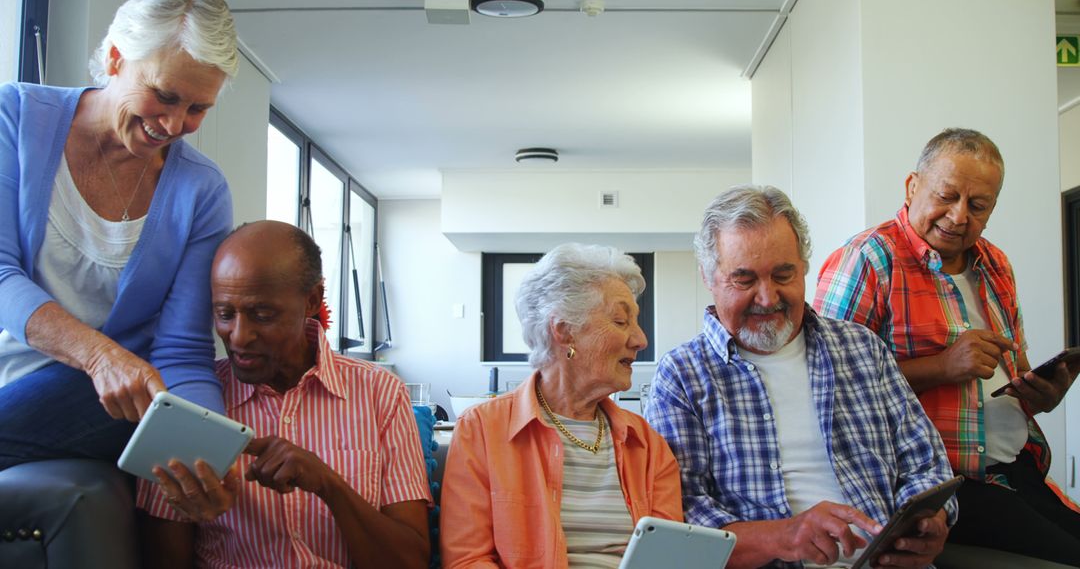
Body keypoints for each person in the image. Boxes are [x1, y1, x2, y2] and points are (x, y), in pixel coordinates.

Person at [646, 186, 955, 568]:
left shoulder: (862, 349)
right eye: (744, 280)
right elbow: (680, 517)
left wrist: (931, 523)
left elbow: (925, 464)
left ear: (804, 267)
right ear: (709, 278)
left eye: (783, 274)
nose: (767, 296)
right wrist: (786, 536)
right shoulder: (682, 376)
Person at [814, 128, 1080, 563]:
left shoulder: (995, 263)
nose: (959, 217)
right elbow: (829, 388)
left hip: (1016, 466)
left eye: (978, 206)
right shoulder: (867, 260)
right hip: (943, 485)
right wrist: (942, 367)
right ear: (912, 186)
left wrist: (1042, 392)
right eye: (946, 196)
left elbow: (1016, 364)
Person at [0, 0, 238, 470]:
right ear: (115, 58)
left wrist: (207, 455)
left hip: (109, 399)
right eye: (165, 95)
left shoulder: (203, 190)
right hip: (40, 375)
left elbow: (183, 349)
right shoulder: (17, 114)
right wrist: (98, 357)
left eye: (197, 108)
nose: (174, 125)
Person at [137, 221, 432, 568]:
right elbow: (162, 557)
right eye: (224, 314)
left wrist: (328, 485)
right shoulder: (187, 402)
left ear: (312, 300)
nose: (239, 337)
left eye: (263, 315)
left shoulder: (380, 394)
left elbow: (410, 561)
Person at [440, 243, 683, 569]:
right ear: (565, 331)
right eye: (621, 321)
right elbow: (468, 560)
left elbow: (671, 560)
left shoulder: (648, 445)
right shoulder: (482, 430)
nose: (641, 339)